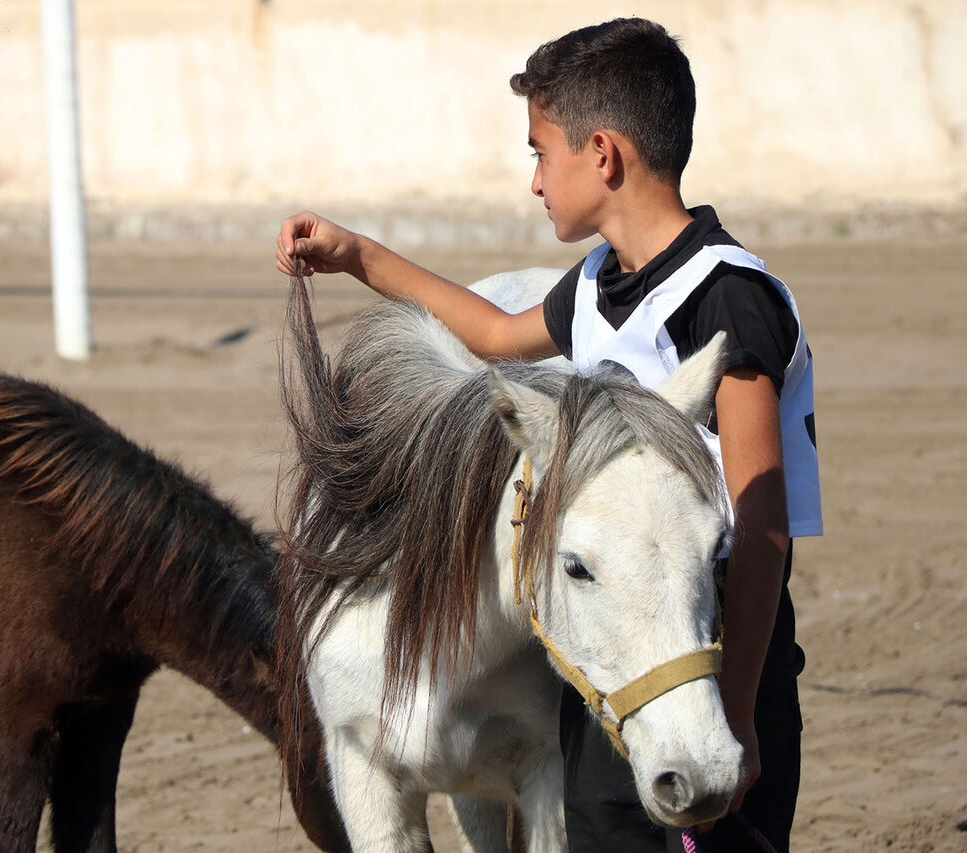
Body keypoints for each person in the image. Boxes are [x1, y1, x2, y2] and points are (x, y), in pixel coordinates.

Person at [273, 16, 821, 853]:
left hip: (710, 639)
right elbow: (494, 336)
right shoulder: (604, 281)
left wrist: (737, 710)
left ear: (601, 154)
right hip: (618, 652)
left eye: (540, 151)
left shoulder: (726, 298)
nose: (535, 181)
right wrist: (356, 255)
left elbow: (761, 522)